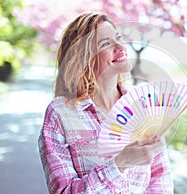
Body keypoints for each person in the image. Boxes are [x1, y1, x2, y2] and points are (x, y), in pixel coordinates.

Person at [38, 12, 174, 193]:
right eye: (106, 43)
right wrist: (120, 163)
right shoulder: (60, 113)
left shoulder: (143, 105)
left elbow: (160, 178)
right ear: (83, 59)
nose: (120, 46)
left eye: (118, 38)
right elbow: (63, 190)